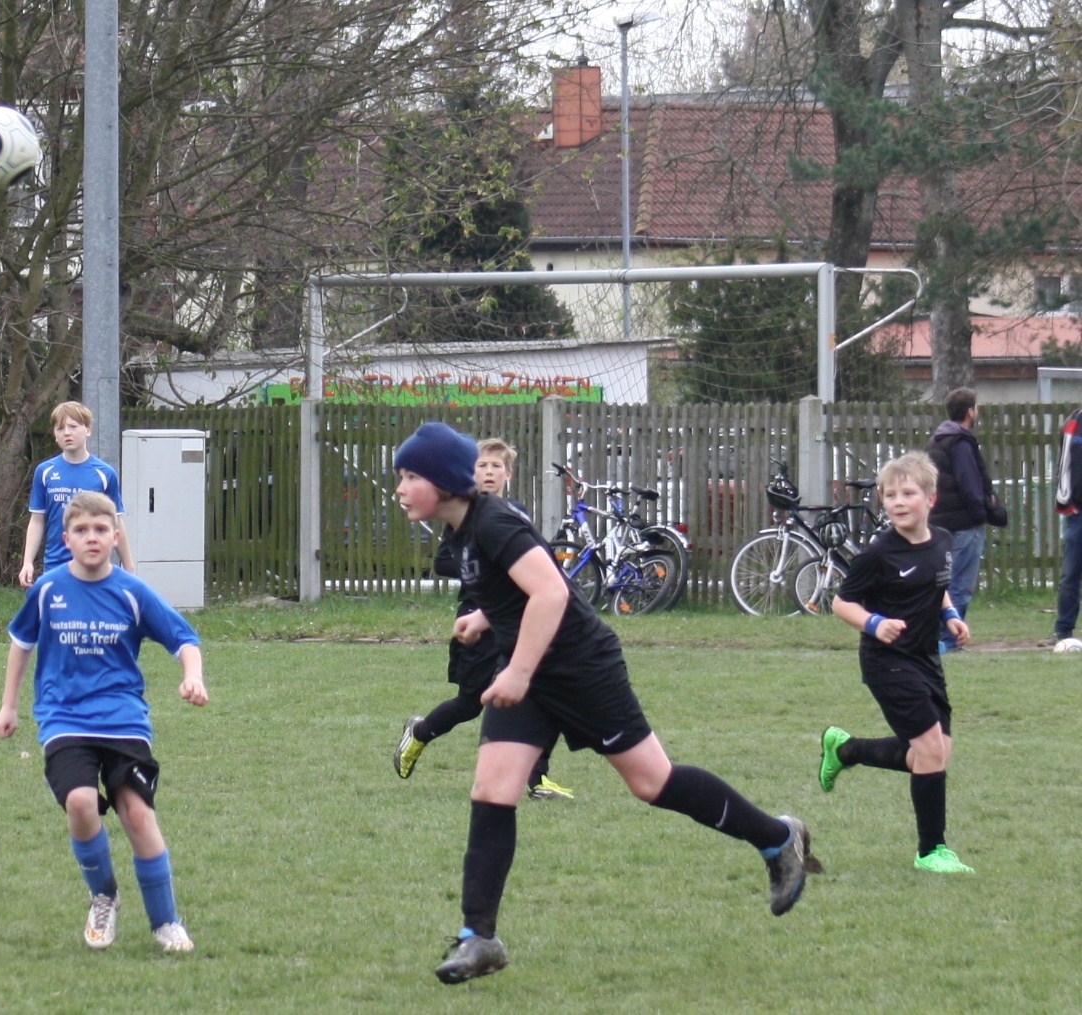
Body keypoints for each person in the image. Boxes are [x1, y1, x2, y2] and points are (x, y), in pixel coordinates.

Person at [389, 422, 816, 986]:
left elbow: (551, 592)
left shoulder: (492, 522)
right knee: (492, 789)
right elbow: (524, 583)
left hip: (580, 669)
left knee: (653, 783)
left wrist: (518, 670)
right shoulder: (462, 531)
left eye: (410, 476)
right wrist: (487, 618)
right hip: (531, 674)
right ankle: (479, 937)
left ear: (443, 480)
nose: (400, 488)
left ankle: (777, 838)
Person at [0, 491, 208, 953]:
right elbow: (21, 642)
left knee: (138, 815)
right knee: (80, 802)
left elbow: (183, 638)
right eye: (81, 530)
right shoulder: (48, 589)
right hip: (64, 718)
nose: (92, 537)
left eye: (101, 529)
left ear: (115, 537)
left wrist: (193, 675)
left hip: (123, 721)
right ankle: (104, 896)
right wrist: (8, 706)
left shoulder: (132, 592)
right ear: (66, 539)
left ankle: (166, 922)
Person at [819, 452, 975, 874]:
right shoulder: (878, 554)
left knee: (935, 753)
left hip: (925, 659)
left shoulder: (941, 541)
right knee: (929, 750)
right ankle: (931, 852)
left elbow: (937, 585)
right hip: (886, 662)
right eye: (890, 495)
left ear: (931, 499)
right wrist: (874, 623)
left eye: (908, 493)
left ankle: (846, 749)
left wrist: (951, 615)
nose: (898, 502)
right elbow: (841, 603)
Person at [393, 438, 572, 801]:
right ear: (469, 474)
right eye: (482, 466)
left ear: (509, 474)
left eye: (496, 466)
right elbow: (443, 562)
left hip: (516, 620)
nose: (489, 473)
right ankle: (420, 732)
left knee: (543, 691)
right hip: (476, 621)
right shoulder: (465, 519)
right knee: (471, 703)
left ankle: (538, 779)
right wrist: (490, 563)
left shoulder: (515, 512)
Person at [19, 401, 134, 588]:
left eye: (73, 427)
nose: (67, 433)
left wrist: (129, 568)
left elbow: (117, 521)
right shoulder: (44, 472)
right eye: (60, 428)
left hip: (95, 569)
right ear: (55, 435)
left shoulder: (105, 474)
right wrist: (27, 563)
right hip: (55, 567)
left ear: (87, 430)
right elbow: (37, 520)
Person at [925, 387, 1005, 653]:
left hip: (939, 522)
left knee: (942, 583)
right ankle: (950, 641)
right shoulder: (960, 442)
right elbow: (970, 484)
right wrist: (982, 515)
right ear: (970, 411)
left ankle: (937, 639)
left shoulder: (938, 440)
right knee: (959, 585)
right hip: (962, 524)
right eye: (976, 407)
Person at [1040, 405, 1082, 647]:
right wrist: (1066, 501)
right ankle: (1063, 630)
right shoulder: (1074, 422)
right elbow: (1064, 464)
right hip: (1078, 513)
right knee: (1069, 575)